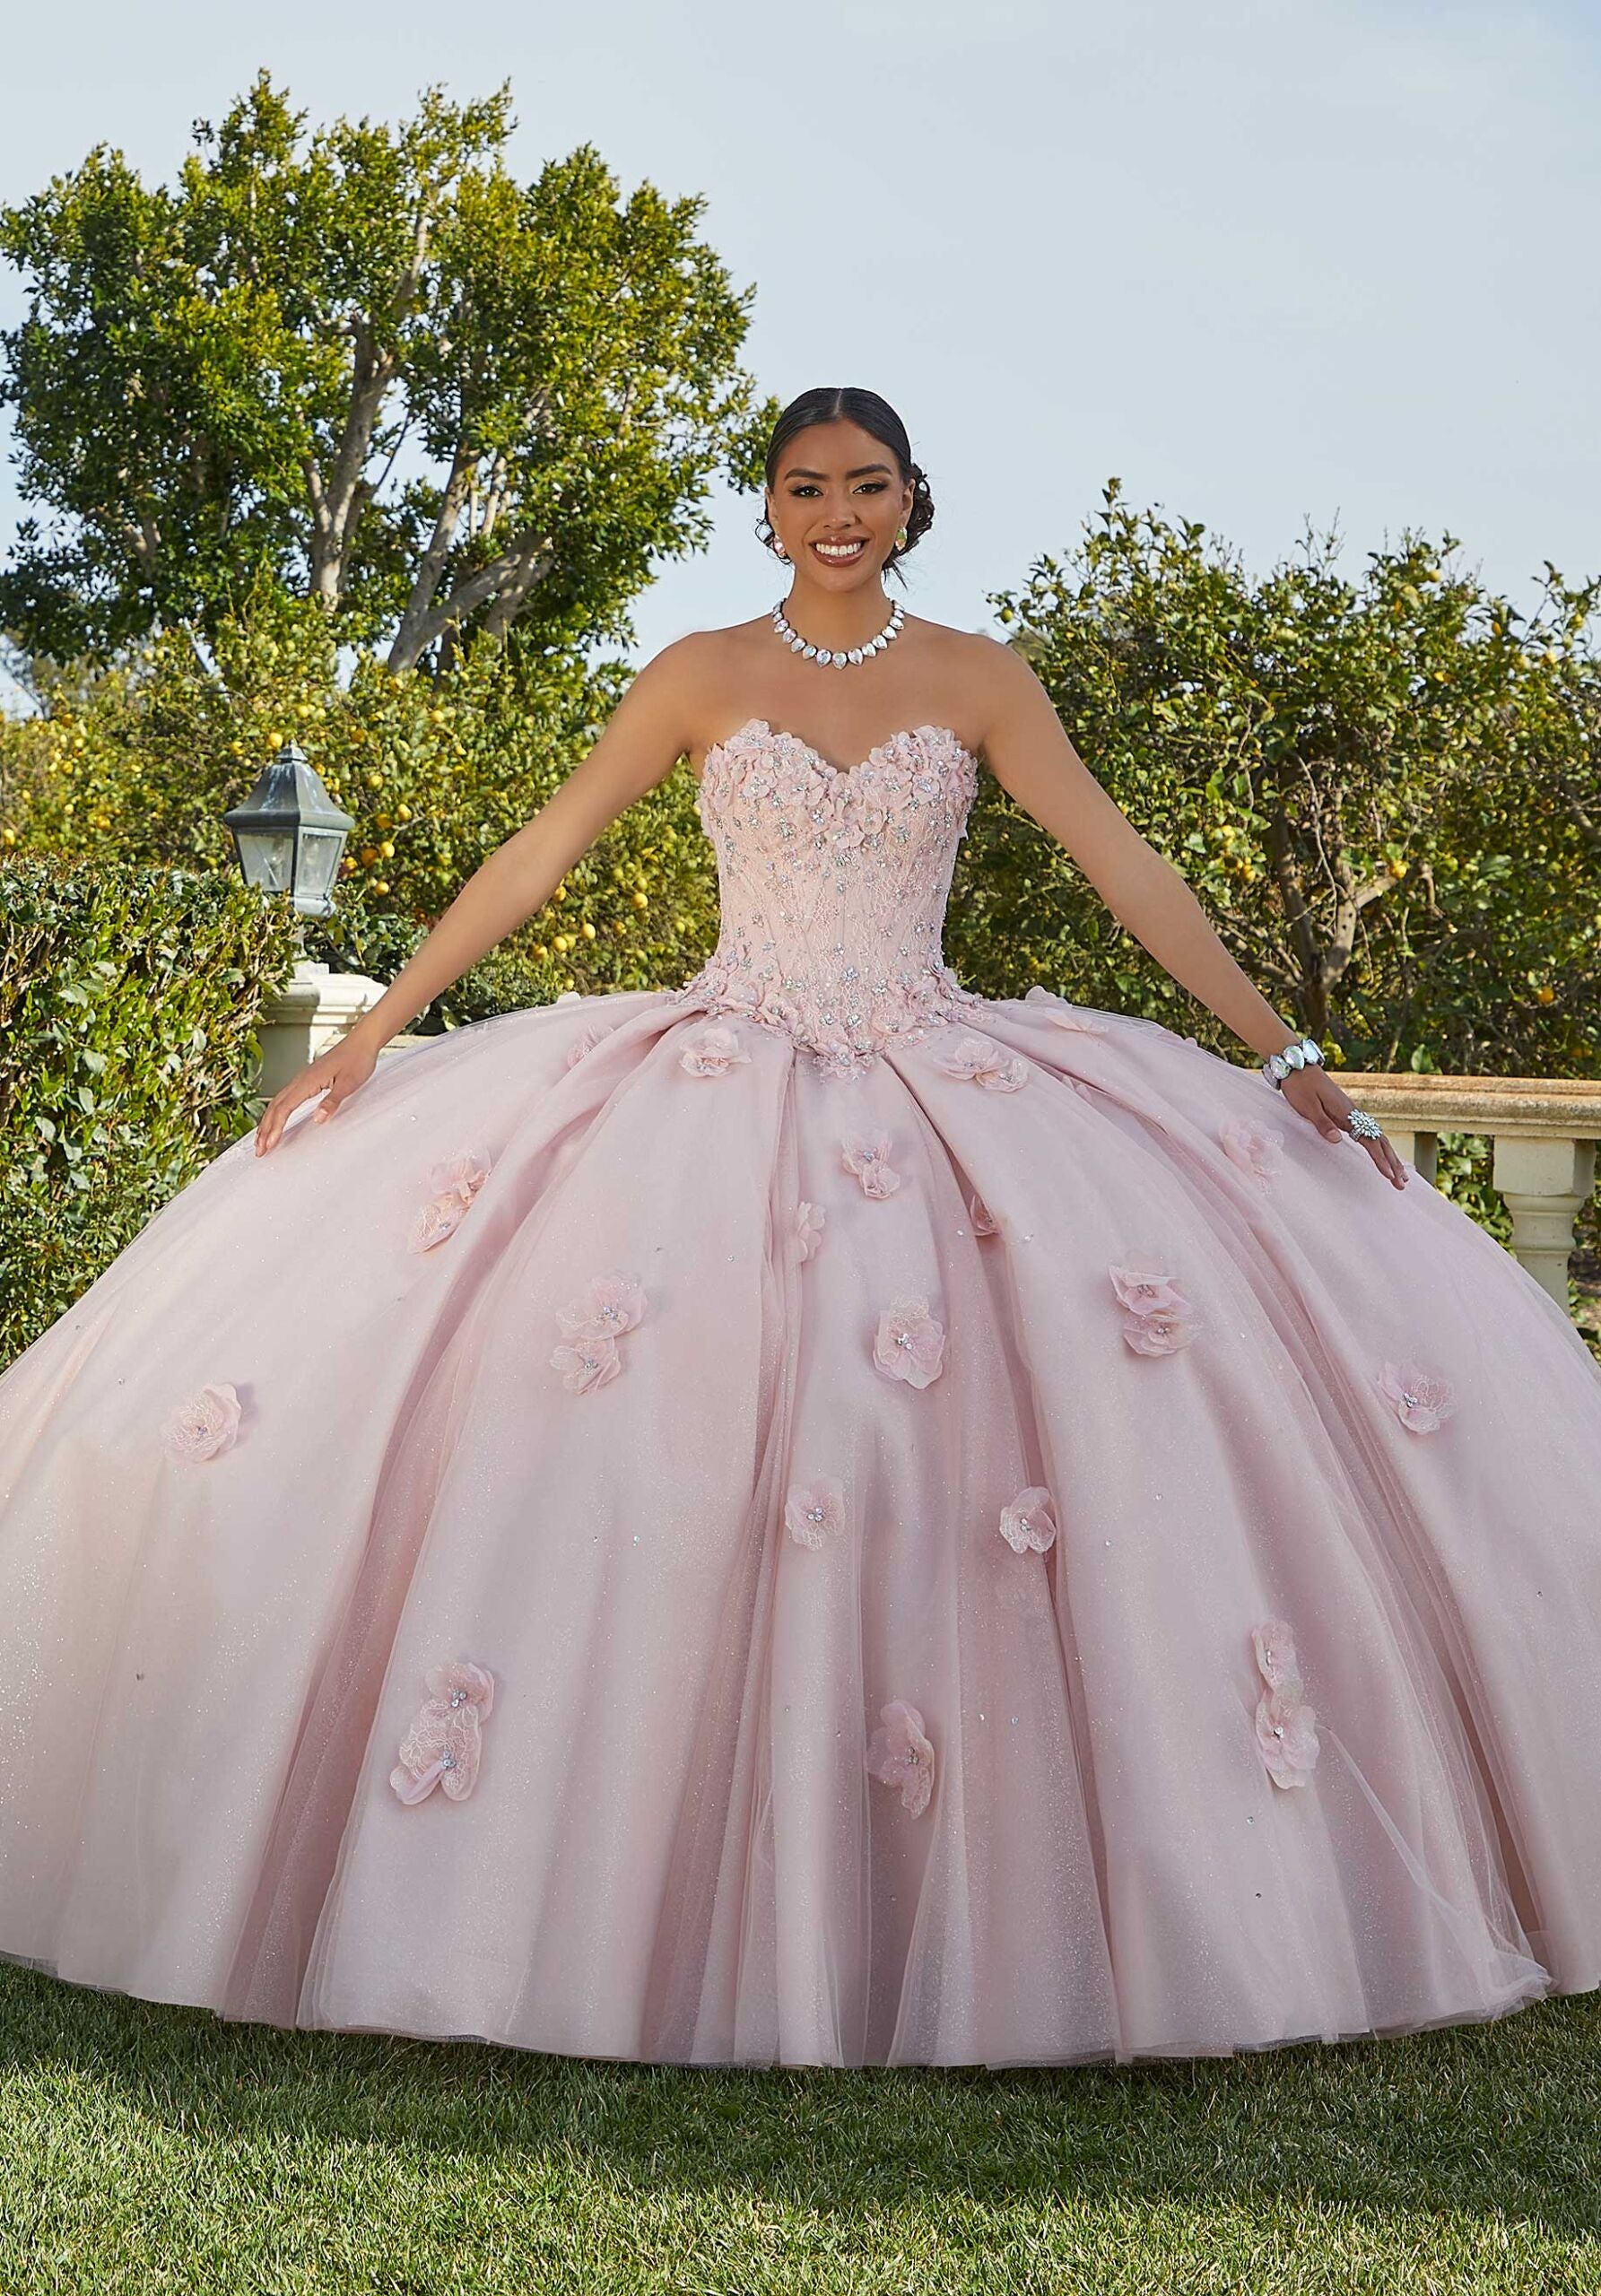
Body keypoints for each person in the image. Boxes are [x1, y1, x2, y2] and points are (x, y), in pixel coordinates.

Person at [1, 384, 1598, 2072]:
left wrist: (1279, 1049)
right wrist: (381, 1029)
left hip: (933, 1065)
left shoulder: (978, 677)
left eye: (868, 486)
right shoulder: (697, 673)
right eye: (804, 486)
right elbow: (543, 851)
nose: (837, 512)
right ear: (764, 506)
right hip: (718, 1075)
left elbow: (1122, 864)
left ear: (912, 500)